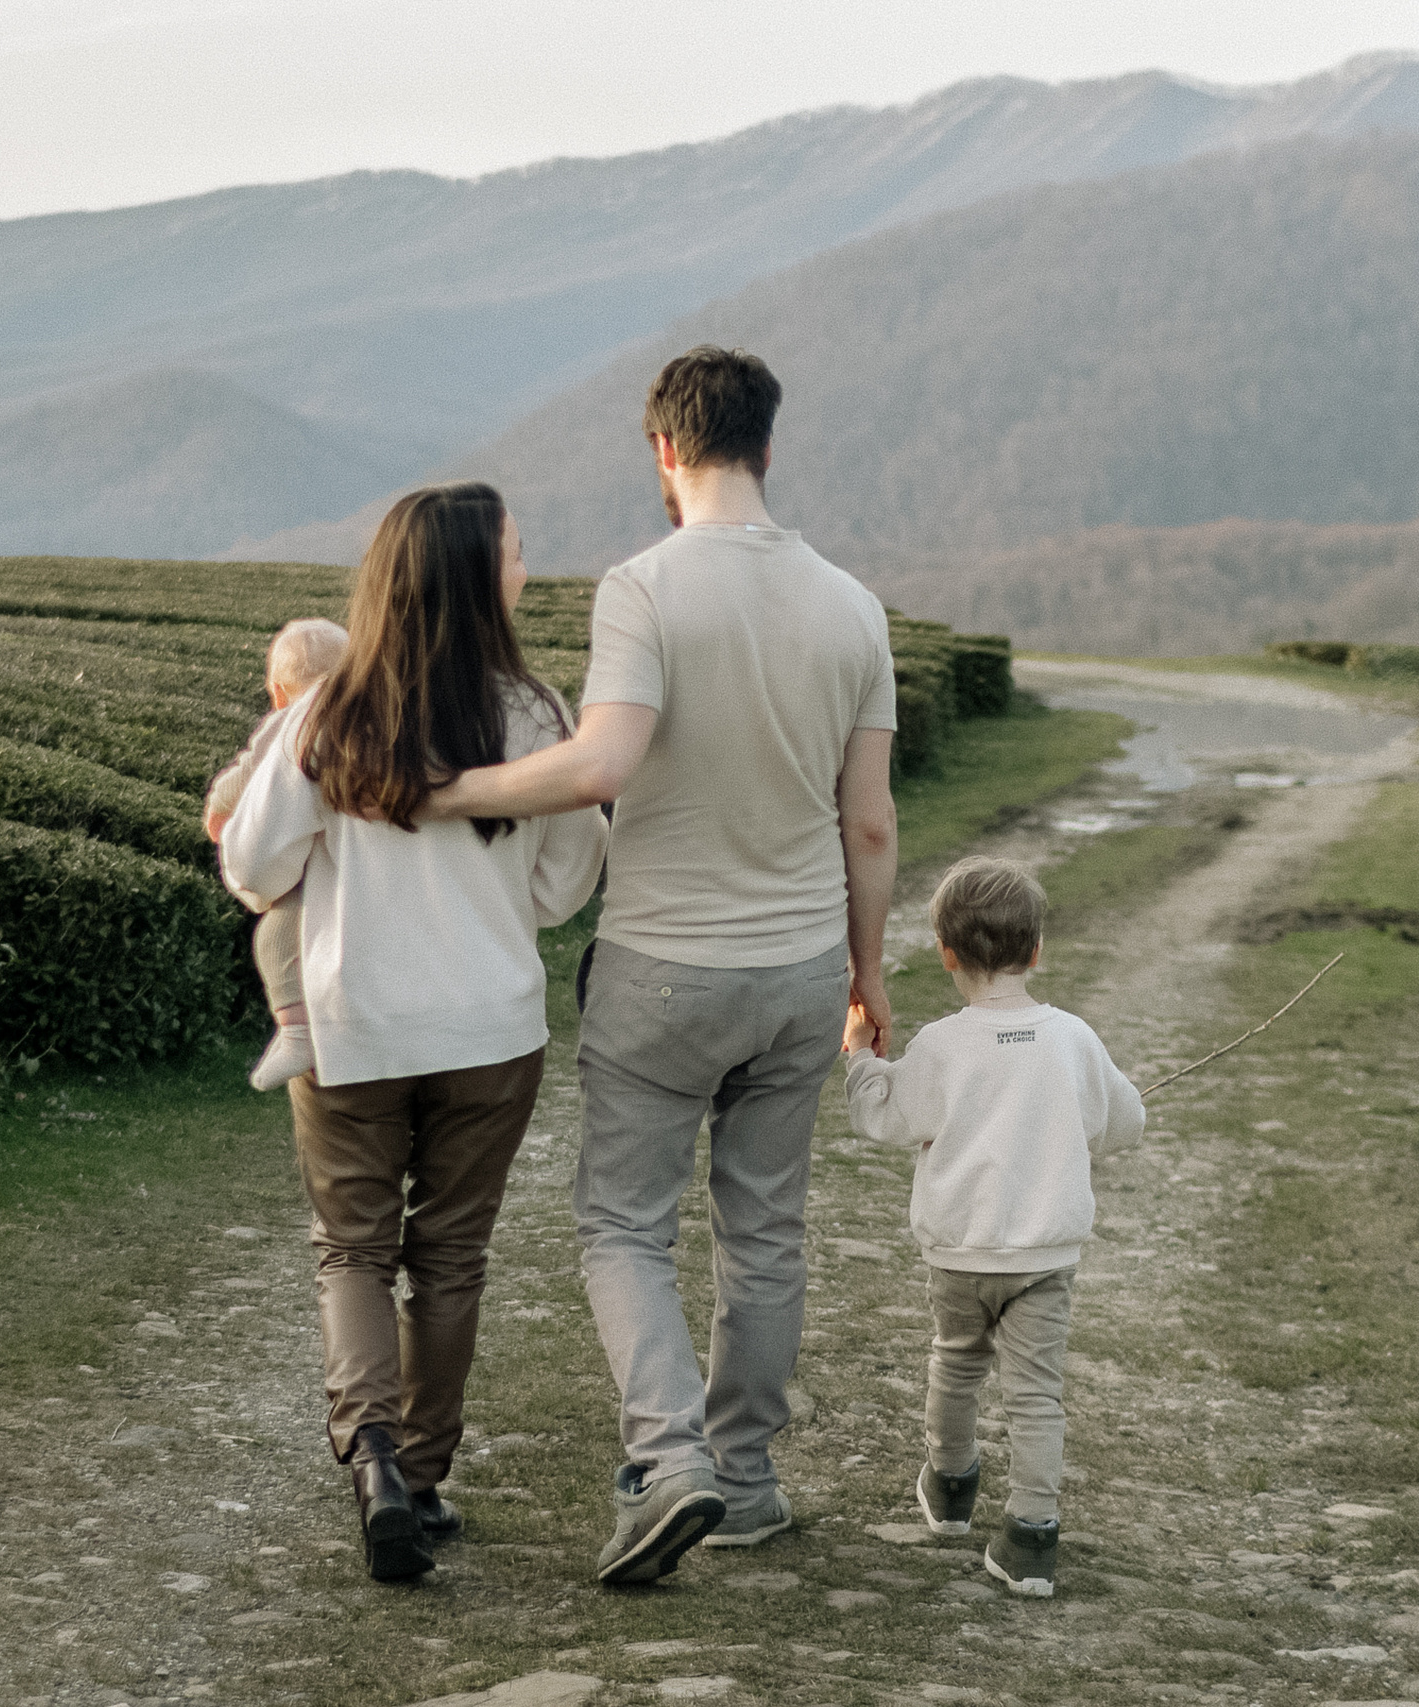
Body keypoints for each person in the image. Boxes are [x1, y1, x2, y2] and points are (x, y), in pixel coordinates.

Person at [421, 346, 900, 1584]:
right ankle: (743, 1480)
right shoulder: (853, 606)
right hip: (799, 971)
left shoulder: (641, 588)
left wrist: (446, 790)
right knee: (766, 1228)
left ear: (662, 451)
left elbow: (598, 767)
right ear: (768, 448)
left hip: (663, 968)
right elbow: (872, 824)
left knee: (623, 1225)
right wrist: (869, 975)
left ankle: (667, 1454)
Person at [219, 482, 608, 1583]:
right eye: (517, 555)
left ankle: (372, 1457)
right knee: (449, 1256)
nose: (526, 570)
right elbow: (568, 880)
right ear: (479, 579)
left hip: (357, 1025)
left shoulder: (325, 711)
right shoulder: (533, 714)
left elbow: (251, 868)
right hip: (489, 1026)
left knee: (352, 1248)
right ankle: (425, 1477)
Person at [842, 856, 1146, 1597]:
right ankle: (1032, 1534)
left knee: (956, 1363)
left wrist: (858, 1057)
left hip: (960, 1253)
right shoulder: (1072, 1037)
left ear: (947, 954)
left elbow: (884, 1114)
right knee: (1036, 1392)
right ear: (1037, 949)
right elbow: (1126, 1121)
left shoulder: (944, 1044)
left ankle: (950, 1491)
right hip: (1044, 1257)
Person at [205, 616, 351, 1091]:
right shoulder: (360, 717)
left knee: (275, 937)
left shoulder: (286, 722)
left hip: (307, 861)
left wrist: (218, 805)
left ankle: (295, 1031)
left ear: (277, 691)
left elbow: (246, 774)